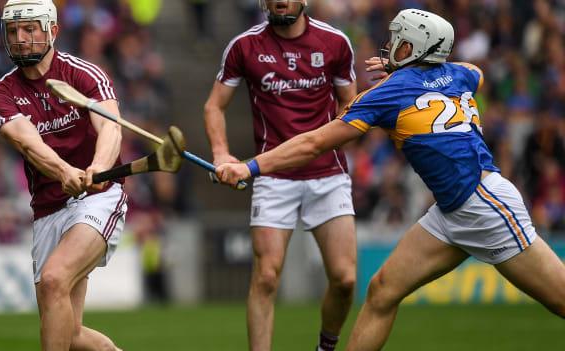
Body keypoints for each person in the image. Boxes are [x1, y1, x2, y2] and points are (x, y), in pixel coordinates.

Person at [217, 8, 565, 351]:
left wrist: (250, 167)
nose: (390, 45)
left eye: (399, 41)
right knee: (383, 290)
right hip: (452, 210)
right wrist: (415, 70)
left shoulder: (389, 92)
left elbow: (313, 142)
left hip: (486, 205)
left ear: (413, 48)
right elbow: (476, 72)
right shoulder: (458, 75)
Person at [204, 1, 358, 350]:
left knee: (345, 279)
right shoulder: (244, 46)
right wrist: (220, 153)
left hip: (328, 174)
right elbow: (215, 104)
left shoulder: (335, 43)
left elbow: (351, 106)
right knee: (267, 277)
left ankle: (326, 346)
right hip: (274, 178)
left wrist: (324, 140)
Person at [0, 1, 126, 350]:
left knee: (53, 279)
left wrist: (98, 166)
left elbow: (111, 129)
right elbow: (28, 142)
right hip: (49, 208)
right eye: (14, 31)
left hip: (98, 197)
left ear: (53, 31)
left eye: (30, 29)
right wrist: (64, 170)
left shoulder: (84, 74)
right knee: (70, 332)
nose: (20, 39)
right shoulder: (1, 94)